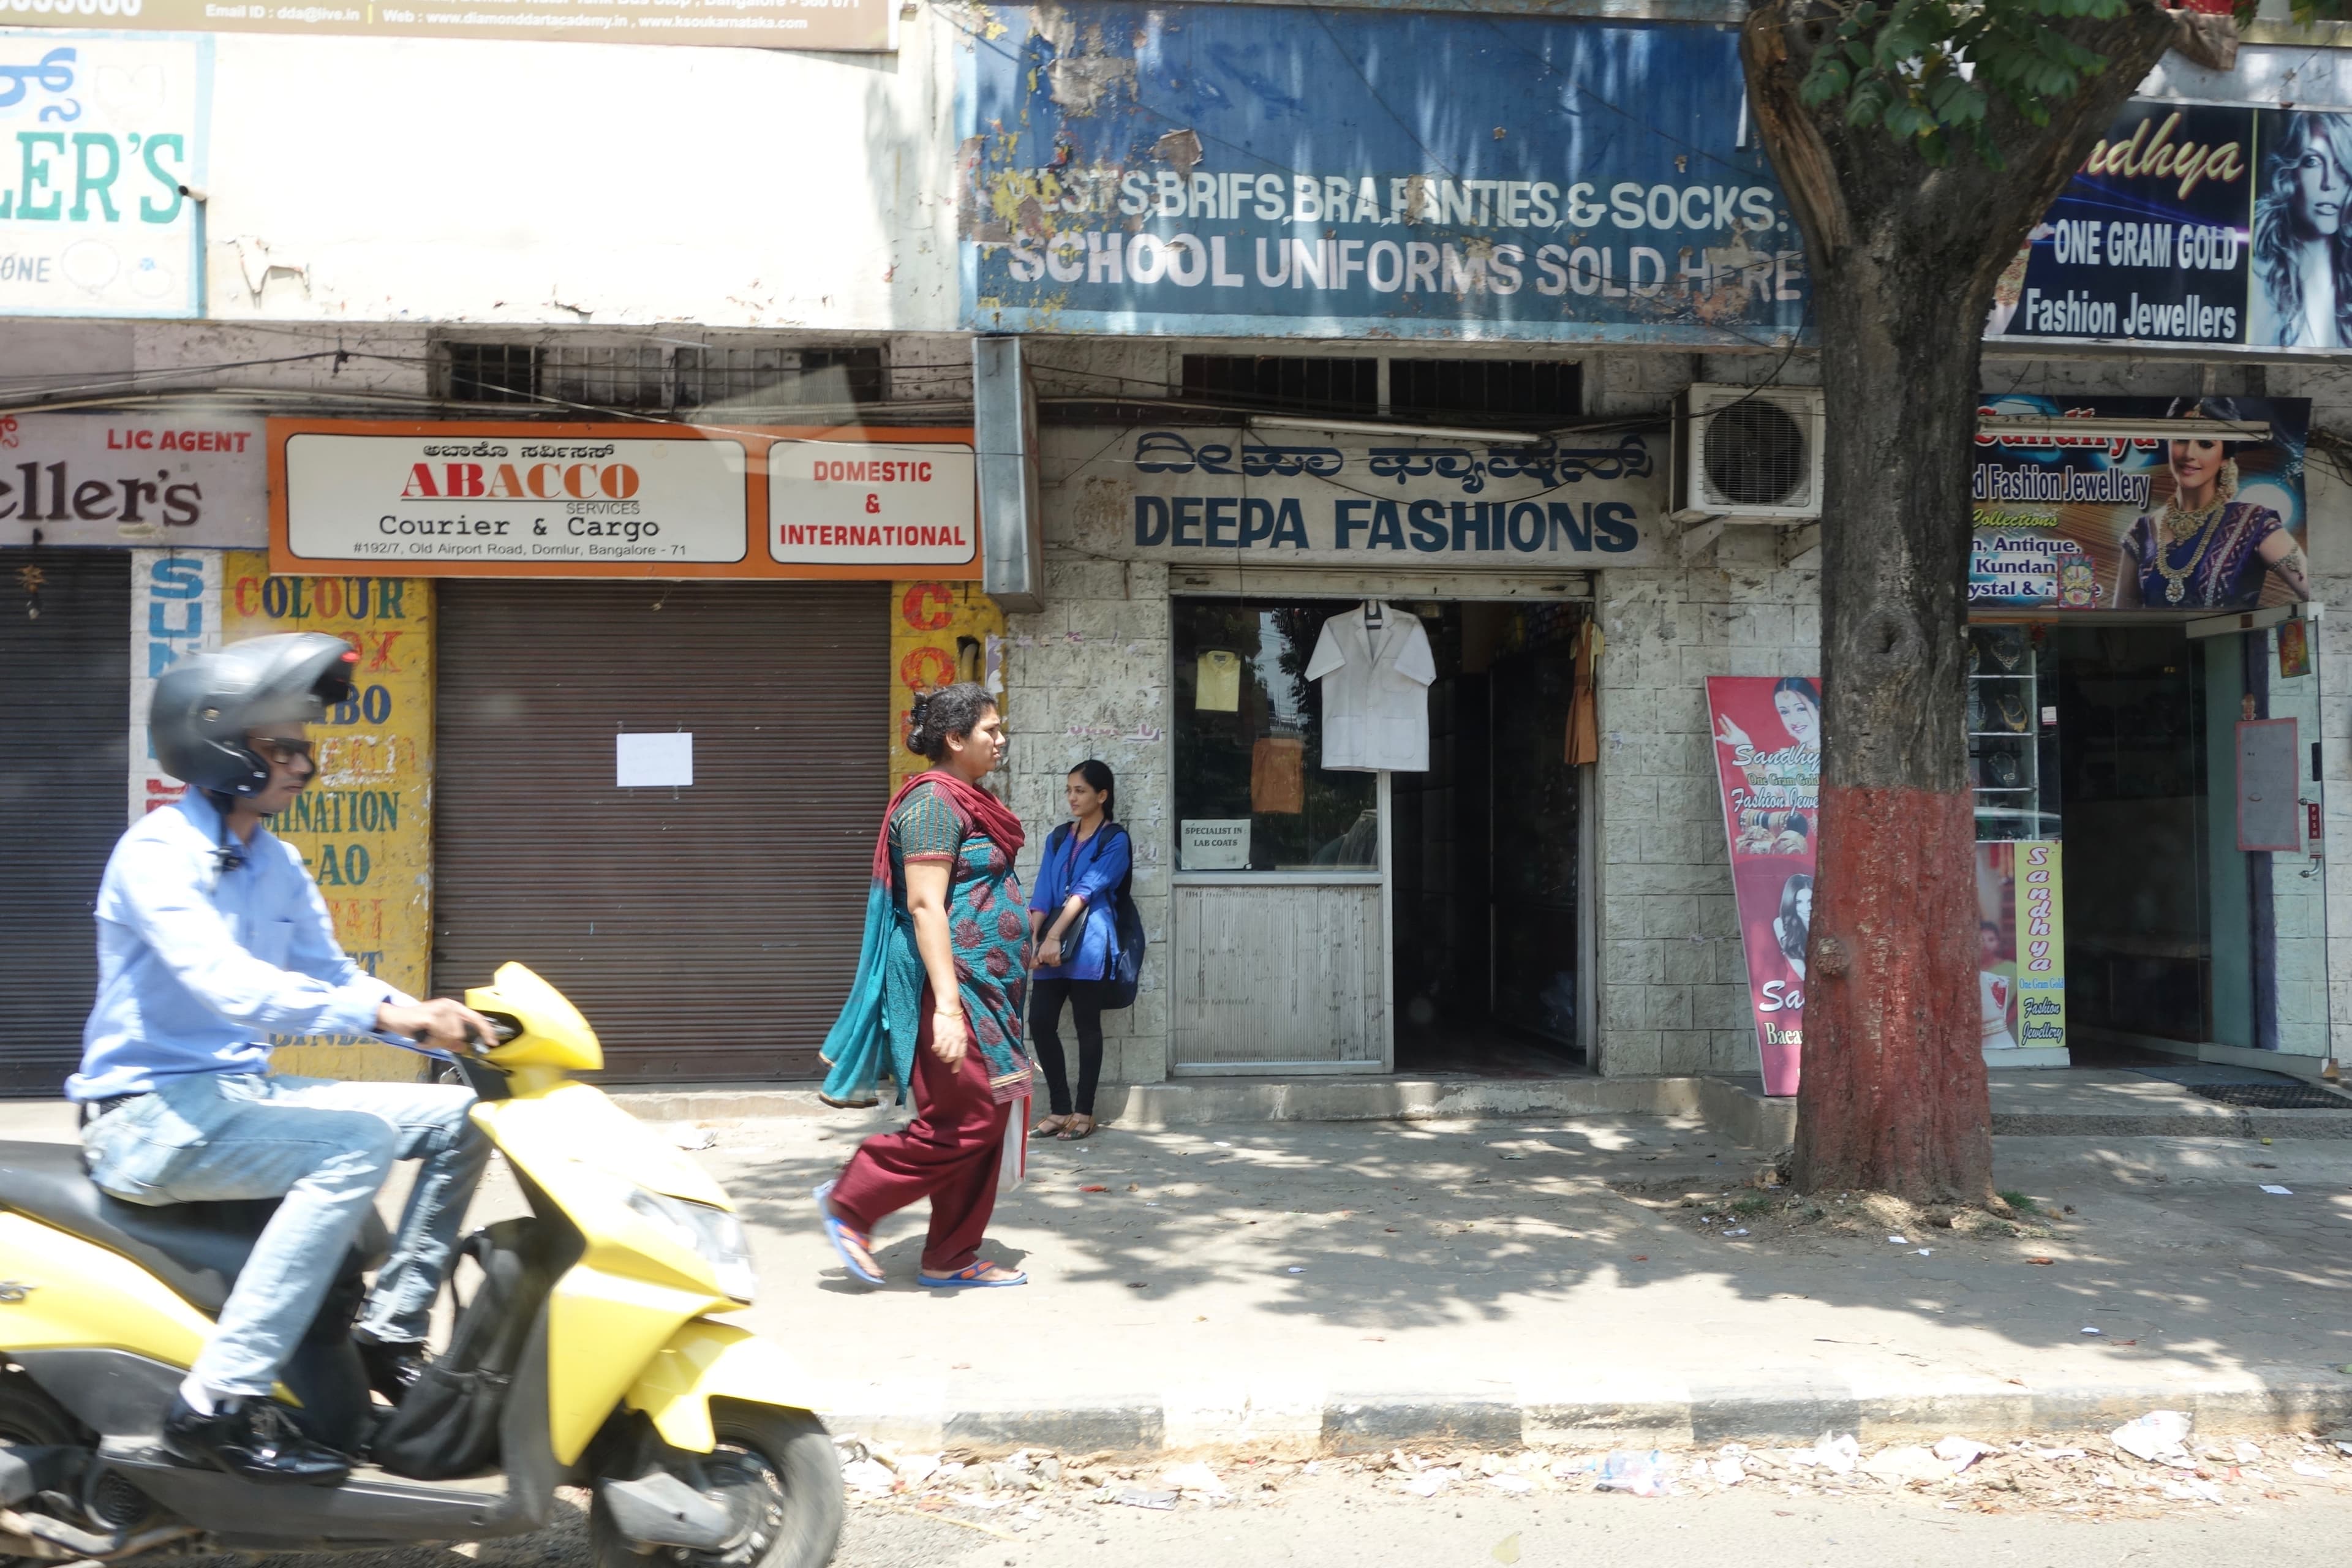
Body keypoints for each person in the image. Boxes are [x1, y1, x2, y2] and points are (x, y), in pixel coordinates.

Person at [71, 633, 495, 1487]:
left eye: (306, 747)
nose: (306, 765)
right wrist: (383, 1015)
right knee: (353, 1147)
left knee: (463, 1118)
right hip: (147, 1115)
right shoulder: (157, 857)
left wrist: (421, 1015)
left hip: (238, 1093)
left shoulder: (276, 860)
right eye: (285, 747)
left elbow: (329, 977)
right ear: (218, 744)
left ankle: (391, 1328)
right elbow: (233, 988)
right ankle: (214, 1405)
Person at [814, 684, 1033, 1289]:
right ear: (955, 739)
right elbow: (925, 905)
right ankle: (852, 1199)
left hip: (986, 992)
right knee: (967, 1119)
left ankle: (951, 1255)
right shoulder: (934, 802)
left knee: (983, 1116)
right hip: (953, 992)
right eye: (990, 729)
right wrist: (947, 1010)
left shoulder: (968, 798)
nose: (1000, 738)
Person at [2113, 397, 2312, 609]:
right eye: (2181, 439)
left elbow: (2315, 592)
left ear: (2225, 457)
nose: (2190, 454)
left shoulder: (2252, 523)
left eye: (2206, 444)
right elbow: (2121, 622)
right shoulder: (2141, 531)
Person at [1028, 761, 1131, 1142]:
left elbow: (1087, 890)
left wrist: (1054, 937)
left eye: (1081, 791)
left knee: (1088, 1027)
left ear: (1102, 796)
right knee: (1040, 1022)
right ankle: (1059, 1109)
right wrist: (1036, 941)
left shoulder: (1115, 840)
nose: (1072, 797)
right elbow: (1042, 891)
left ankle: (1084, 1113)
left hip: (1089, 943)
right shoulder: (1058, 837)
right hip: (1051, 939)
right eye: (1069, 790)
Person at [2250, 111, 2352, 349]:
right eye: (2313, 162)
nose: (2329, 182)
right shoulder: (2257, 280)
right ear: (2289, 174)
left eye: (2340, 165)